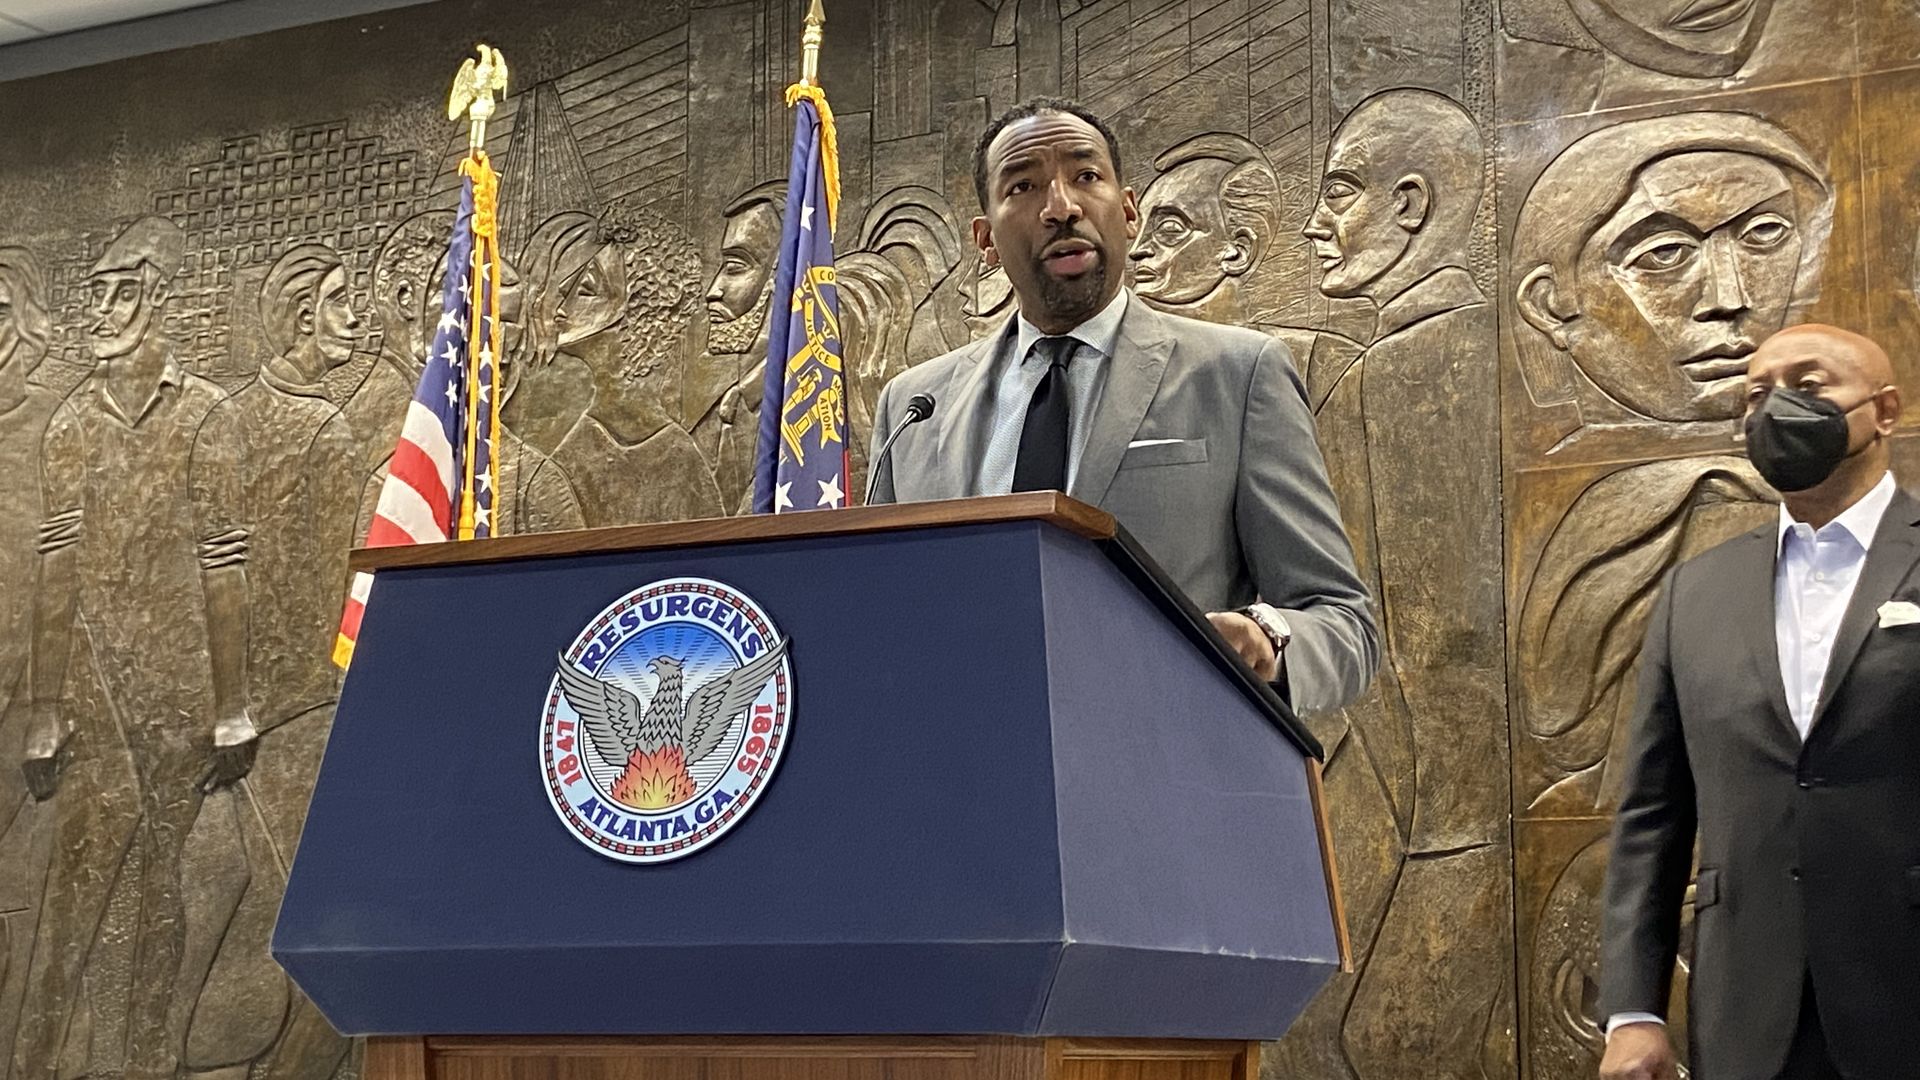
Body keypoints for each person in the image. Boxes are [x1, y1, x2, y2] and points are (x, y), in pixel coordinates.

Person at [865, 97, 1377, 714]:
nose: (1061, 207)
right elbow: (883, 623)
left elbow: (1342, 623)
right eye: (1024, 186)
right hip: (966, 778)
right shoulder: (914, 408)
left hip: (1165, 775)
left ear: (1128, 211)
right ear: (986, 240)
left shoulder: (1238, 376)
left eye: (1086, 176)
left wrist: (1268, 640)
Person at [1599, 323, 1918, 1080]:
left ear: (1885, 410)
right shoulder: (1696, 591)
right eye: (1757, 394)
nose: (1777, 407)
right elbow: (1653, 813)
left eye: (1809, 389)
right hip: (1748, 1008)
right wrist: (1633, 1011)